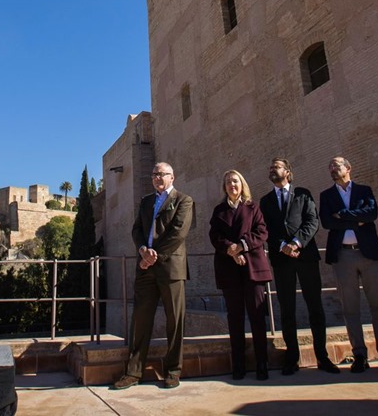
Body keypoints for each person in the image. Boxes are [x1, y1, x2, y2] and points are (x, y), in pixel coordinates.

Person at [112, 162, 195, 390]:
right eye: (154, 174)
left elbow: (178, 232)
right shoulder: (146, 201)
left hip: (170, 268)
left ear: (172, 176)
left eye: (162, 174)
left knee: (175, 321)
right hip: (146, 268)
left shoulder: (183, 200)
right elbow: (136, 229)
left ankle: (172, 371)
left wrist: (154, 255)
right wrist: (141, 250)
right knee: (140, 320)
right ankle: (133, 372)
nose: (158, 177)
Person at [319, 156, 378, 374]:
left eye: (336, 165)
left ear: (348, 168)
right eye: (330, 166)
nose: (332, 169)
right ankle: (359, 355)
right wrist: (357, 219)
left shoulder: (364, 191)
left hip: (369, 254)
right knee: (350, 308)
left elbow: (372, 214)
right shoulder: (326, 195)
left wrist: (343, 216)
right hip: (343, 256)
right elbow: (327, 222)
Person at [259, 158, 340, 375]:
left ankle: (322, 356)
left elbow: (312, 221)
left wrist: (297, 242)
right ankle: (291, 358)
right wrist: (282, 246)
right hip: (282, 259)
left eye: (275, 166)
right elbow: (265, 229)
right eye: (270, 167)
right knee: (287, 309)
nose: (272, 169)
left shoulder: (303, 193)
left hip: (305, 257)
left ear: (287, 171)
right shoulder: (265, 201)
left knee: (315, 307)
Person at [209, 170, 272, 380]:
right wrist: (231, 250)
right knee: (234, 318)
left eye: (235, 181)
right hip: (229, 269)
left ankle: (262, 362)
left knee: (257, 316)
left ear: (242, 184)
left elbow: (262, 231)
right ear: (224, 187)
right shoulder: (219, 211)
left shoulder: (253, 207)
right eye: (227, 182)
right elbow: (214, 236)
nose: (231, 185)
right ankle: (239, 364)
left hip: (253, 268)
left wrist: (241, 246)